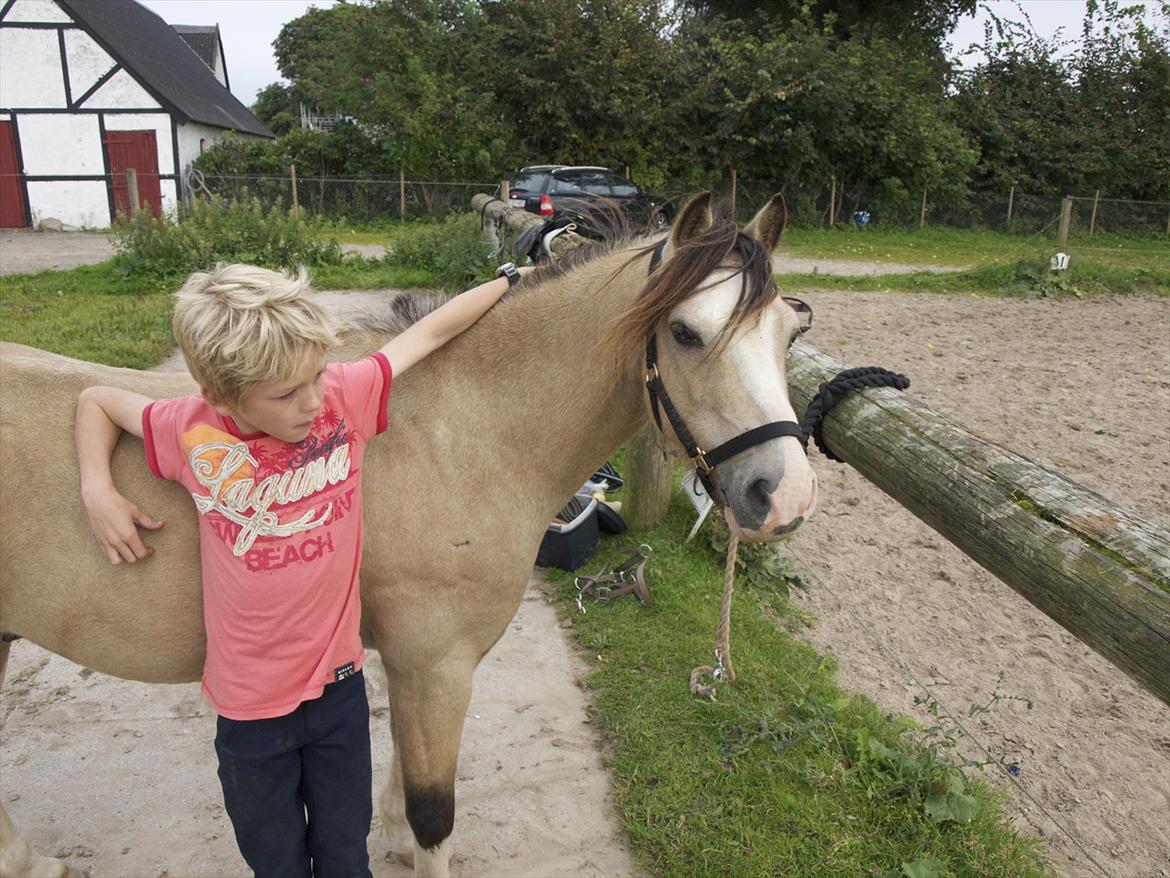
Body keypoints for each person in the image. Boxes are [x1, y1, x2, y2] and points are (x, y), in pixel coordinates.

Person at [74, 261, 525, 878]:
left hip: (337, 695)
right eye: (286, 394)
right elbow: (96, 402)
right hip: (249, 713)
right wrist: (98, 489)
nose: (311, 402)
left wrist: (510, 279)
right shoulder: (192, 429)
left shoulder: (343, 400)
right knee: (276, 861)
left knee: (345, 855)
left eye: (315, 377)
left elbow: (431, 334)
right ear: (223, 394)